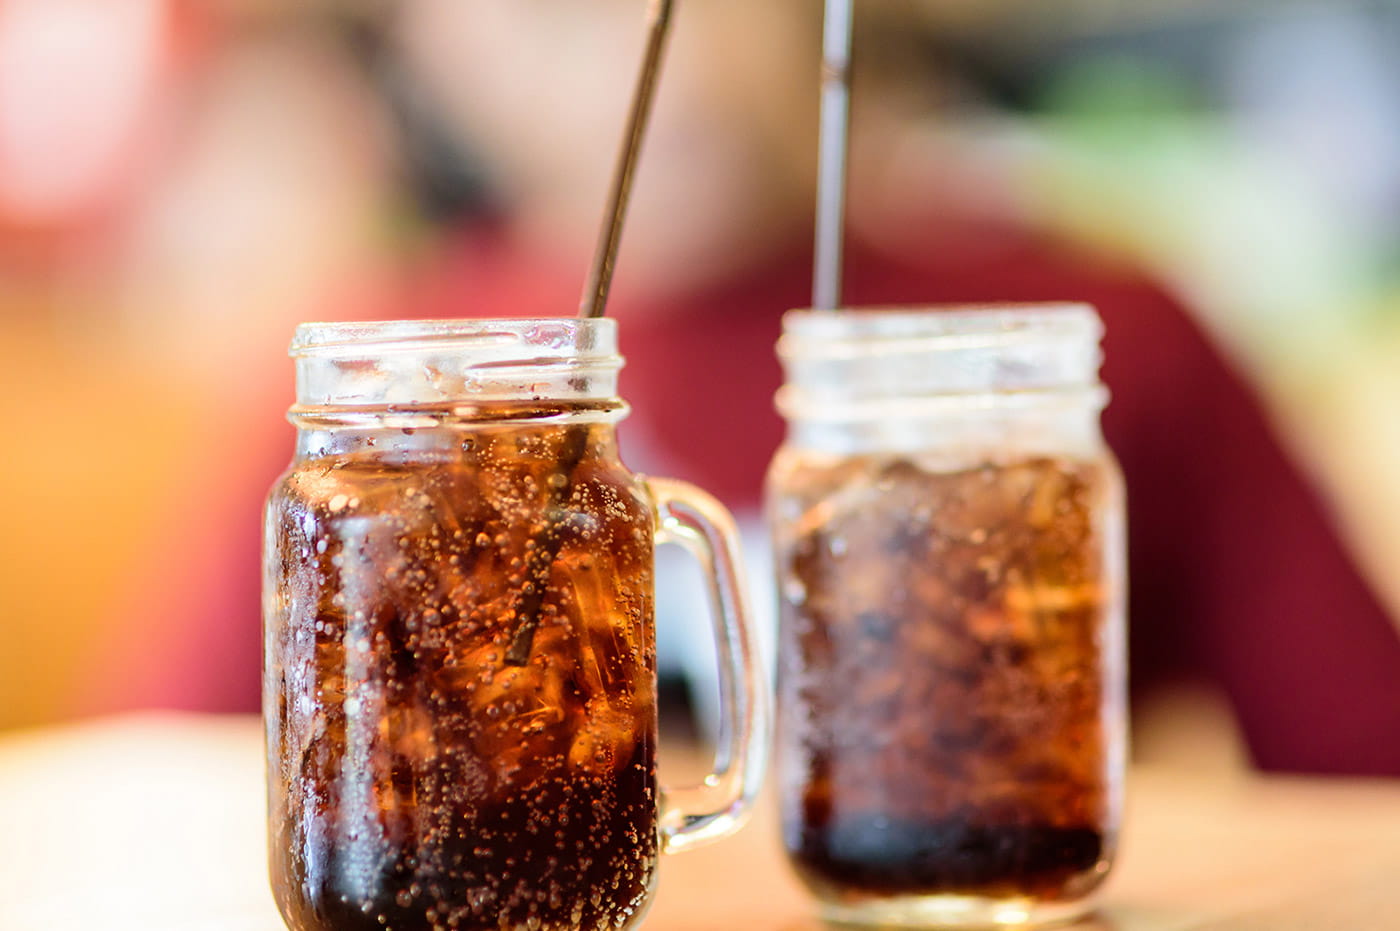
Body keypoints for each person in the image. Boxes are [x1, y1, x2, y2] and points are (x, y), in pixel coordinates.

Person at [45, 1, 1400, 776]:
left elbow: (1363, 767)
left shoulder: (1095, 336)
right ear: (424, 45)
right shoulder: (393, 378)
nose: (646, 49)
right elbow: (156, 778)